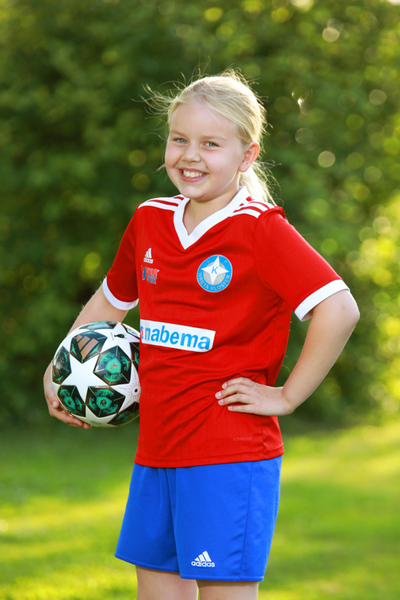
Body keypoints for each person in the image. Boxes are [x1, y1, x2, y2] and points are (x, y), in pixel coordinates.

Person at [43, 70, 360, 600]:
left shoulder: (260, 228)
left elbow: (339, 309)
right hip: (157, 450)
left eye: (211, 144)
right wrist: (61, 372)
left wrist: (286, 396)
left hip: (228, 456)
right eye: (179, 139)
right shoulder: (150, 220)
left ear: (247, 155)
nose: (190, 156)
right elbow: (109, 304)